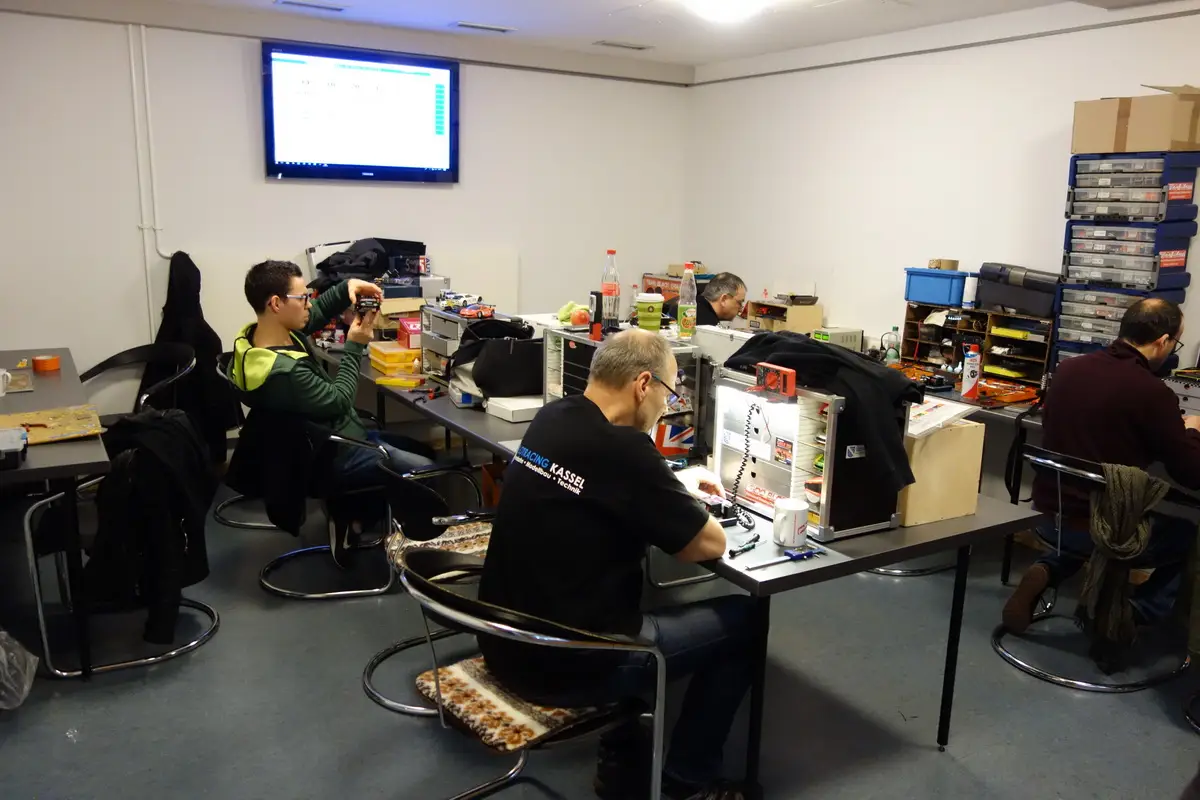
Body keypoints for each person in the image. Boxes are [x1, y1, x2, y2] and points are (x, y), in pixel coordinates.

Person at [478, 329, 754, 800]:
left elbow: (601, 486)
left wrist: (670, 485)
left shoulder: (555, 417)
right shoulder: (625, 449)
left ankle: (622, 753)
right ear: (643, 384)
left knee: (622, 585)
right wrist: (678, 500)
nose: (667, 406)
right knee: (747, 620)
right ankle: (687, 780)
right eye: (669, 393)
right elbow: (707, 544)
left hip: (505, 641)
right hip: (564, 666)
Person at [1004, 298, 1200, 633]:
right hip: (1104, 529)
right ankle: (1132, 613)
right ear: (1162, 342)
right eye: (1175, 343)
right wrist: (1192, 430)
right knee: (1187, 534)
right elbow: (1191, 473)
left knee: (1087, 510)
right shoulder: (1152, 392)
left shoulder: (1068, 369)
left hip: (1048, 517)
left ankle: (1047, 570)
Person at [226, 260, 435, 488]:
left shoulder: (257, 338)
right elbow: (340, 401)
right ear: (276, 304)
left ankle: (372, 508)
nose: (309, 304)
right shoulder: (286, 373)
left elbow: (317, 311)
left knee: (424, 450)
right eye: (302, 298)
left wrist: (347, 287)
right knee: (427, 469)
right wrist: (355, 346)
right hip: (332, 454)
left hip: (334, 438)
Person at [666, 272, 747, 327]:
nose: (741, 309)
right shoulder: (707, 325)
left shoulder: (692, 303)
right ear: (724, 299)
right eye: (740, 302)